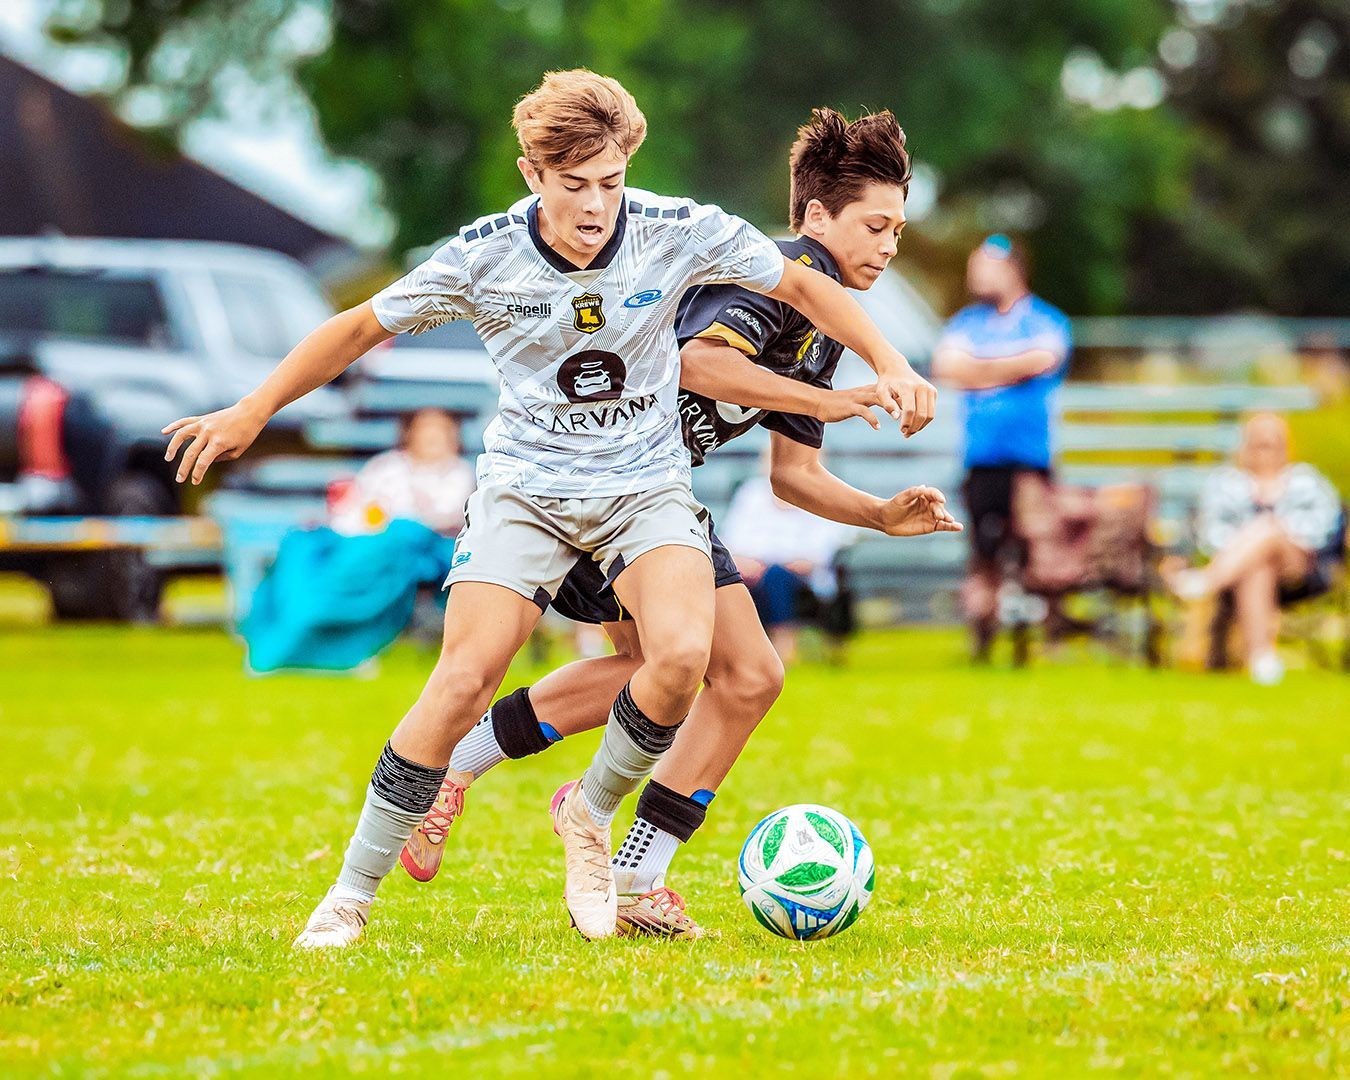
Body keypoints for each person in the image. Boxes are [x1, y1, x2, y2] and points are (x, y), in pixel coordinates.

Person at [162, 74, 936, 947]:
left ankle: (595, 823)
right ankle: (350, 894)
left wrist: (888, 379)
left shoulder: (676, 230)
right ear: (534, 174)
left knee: (692, 663)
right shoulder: (483, 254)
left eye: (612, 181)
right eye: (575, 184)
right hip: (528, 489)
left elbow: (804, 304)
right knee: (466, 678)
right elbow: (355, 329)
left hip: (645, 489)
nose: (598, 204)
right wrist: (249, 410)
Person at [397, 108, 961, 939]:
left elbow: (795, 477)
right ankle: (587, 841)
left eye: (899, 231)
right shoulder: (781, 276)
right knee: (720, 671)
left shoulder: (821, 325)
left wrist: (880, 515)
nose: (887, 246)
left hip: (652, 499)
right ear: (814, 218)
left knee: (716, 674)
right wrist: (827, 398)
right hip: (592, 486)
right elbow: (701, 359)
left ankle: (591, 847)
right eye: (875, 226)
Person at [931, 235, 1072, 660]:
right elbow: (947, 368)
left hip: (1030, 460)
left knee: (1038, 549)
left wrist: (980, 371)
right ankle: (983, 635)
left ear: (1012, 269)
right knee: (983, 552)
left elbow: (1045, 358)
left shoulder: (1046, 320)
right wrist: (1011, 369)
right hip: (982, 459)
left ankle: (1045, 640)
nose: (976, 276)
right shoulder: (966, 322)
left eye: (984, 267)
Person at [1166, 412, 1343, 685]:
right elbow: (1210, 532)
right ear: (1244, 447)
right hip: (1242, 570)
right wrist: (1252, 546)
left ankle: (1205, 581)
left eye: (1270, 444)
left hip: (1300, 570)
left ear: (1286, 447)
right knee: (1259, 565)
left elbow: (1322, 531)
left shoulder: (1307, 481)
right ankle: (1262, 659)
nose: (1264, 452)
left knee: (1269, 529)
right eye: (1257, 444)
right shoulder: (1225, 483)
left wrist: (1273, 532)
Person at [720, 470, 852, 662]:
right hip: (754, 569)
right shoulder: (752, 493)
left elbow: (827, 544)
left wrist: (795, 561)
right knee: (741, 580)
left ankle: (783, 643)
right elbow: (732, 538)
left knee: (776, 577)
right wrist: (749, 561)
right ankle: (745, 649)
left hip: (803, 578)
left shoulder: (821, 493)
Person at [330, 408, 475, 536]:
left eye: (440, 429)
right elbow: (354, 511)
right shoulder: (385, 465)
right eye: (425, 428)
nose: (432, 435)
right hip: (376, 541)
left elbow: (445, 517)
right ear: (409, 433)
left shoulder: (461, 472)